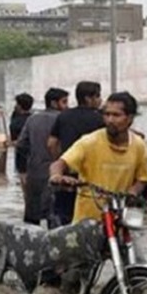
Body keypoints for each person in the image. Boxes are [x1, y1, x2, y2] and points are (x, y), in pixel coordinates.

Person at [49, 91, 147, 223]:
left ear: (130, 118)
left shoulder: (139, 145)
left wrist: (132, 192)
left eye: (116, 115)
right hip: (87, 222)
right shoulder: (89, 142)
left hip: (119, 217)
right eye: (107, 114)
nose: (110, 120)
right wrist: (57, 176)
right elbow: (59, 164)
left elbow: (143, 178)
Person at [47, 81, 104, 226]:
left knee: (64, 217)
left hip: (67, 175)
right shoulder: (100, 119)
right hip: (94, 177)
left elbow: (51, 143)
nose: (100, 100)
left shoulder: (63, 116)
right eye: (97, 96)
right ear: (88, 98)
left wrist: (61, 162)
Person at [18, 87, 69, 226]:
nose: (67, 106)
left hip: (34, 172)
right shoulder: (63, 119)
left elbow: (21, 143)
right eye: (64, 102)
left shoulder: (32, 119)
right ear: (53, 103)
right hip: (58, 173)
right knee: (55, 216)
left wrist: (32, 157)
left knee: (32, 216)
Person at [9, 93, 34, 191]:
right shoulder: (33, 118)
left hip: (22, 155)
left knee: (24, 181)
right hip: (34, 155)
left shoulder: (16, 121)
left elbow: (14, 139)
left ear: (19, 105)